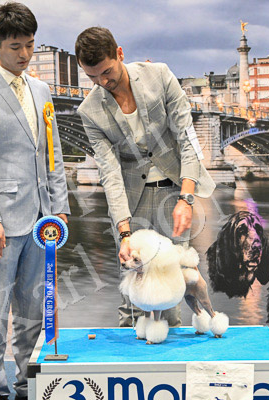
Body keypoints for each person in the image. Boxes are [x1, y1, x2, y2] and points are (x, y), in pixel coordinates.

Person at [0, 3, 69, 399]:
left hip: (42, 220)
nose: (25, 55)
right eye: (15, 46)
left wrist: (60, 206)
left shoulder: (42, 90)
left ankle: (27, 383)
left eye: (30, 45)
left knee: (33, 308)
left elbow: (52, 153)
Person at [75, 27, 215, 327]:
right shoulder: (89, 111)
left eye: (107, 72)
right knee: (132, 291)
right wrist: (124, 232)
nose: (102, 83)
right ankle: (130, 348)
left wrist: (186, 199)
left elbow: (187, 139)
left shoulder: (160, 76)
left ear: (120, 53)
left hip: (174, 193)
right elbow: (110, 173)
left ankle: (171, 345)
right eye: (92, 77)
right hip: (131, 200)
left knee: (172, 286)